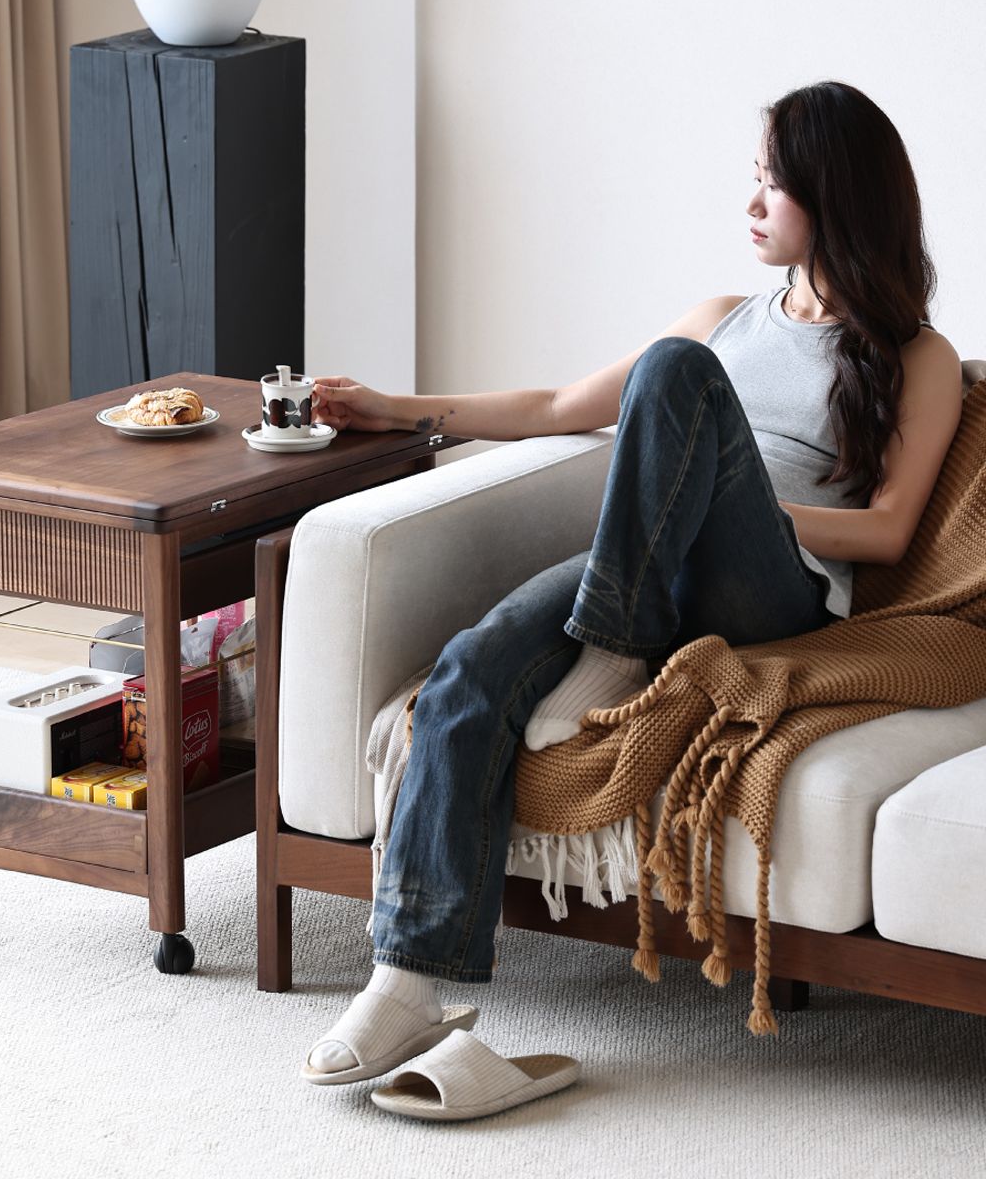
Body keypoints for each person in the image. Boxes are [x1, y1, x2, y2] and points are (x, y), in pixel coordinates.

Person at [300, 81, 963, 1084]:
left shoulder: (917, 357)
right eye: (753, 183)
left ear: (836, 199)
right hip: (648, 567)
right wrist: (401, 408)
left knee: (669, 373)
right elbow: (561, 403)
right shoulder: (723, 318)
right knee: (467, 672)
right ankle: (408, 981)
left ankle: (612, 640)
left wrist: (722, 505)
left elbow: (887, 530)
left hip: (772, 591)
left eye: (772, 188)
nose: (750, 207)